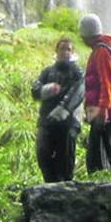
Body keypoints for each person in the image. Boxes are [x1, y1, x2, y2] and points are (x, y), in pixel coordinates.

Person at [32, 37, 85, 182]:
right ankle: (49, 183)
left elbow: (79, 91)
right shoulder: (48, 72)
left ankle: (65, 184)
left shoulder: (77, 72)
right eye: (62, 48)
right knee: (43, 151)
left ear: (72, 52)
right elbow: (35, 89)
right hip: (47, 120)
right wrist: (45, 90)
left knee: (65, 156)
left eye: (68, 49)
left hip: (69, 121)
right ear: (57, 51)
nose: (65, 52)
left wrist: (64, 109)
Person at [80, 13, 111, 173]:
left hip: (106, 113)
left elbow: (108, 82)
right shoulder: (106, 48)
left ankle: (107, 188)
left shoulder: (102, 52)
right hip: (106, 111)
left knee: (101, 155)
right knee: (102, 152)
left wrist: (104, 109)